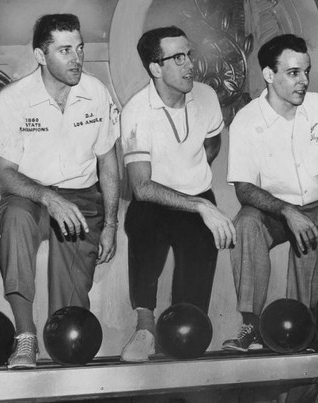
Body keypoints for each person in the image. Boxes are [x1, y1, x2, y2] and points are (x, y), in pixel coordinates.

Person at [0, 13, 120, 369]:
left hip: (81, 197)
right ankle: (25, 336)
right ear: (41, 57)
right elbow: (2, 176)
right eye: (64, 51)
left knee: (70, 309)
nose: (76, 59)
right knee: (14, 217)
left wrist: (110, 225)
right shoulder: (13, 99)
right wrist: (48, 197)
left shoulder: (96, 93)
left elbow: (108, 163)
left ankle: (64, 346)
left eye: (79, 48)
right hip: (30, 196)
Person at [223, 34, 318, 352]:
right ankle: (251, 325)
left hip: (317, 208)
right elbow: (243, 187)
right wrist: (287, 211)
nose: (304, 81)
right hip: (273, 211)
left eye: (307, 72)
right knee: (246, 225)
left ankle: (301, 332)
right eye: (294, 73)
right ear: (269, 75)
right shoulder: (247, 120)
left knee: (307, 321)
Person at [119, 26, 236, 362]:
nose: (190, 66)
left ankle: (186, 326)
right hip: (155, 201)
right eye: (178, 58)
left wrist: (197, 186)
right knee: (142, 218)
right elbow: (142, 186)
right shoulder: (136, 111)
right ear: (156, 68)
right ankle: (145, 327)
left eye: (189, 54)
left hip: (196, 199)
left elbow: (212, 141)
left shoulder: (207, 96)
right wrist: (199, 204)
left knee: (192, 296)